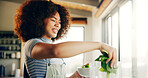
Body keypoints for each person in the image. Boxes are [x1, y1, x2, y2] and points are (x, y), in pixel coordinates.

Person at [14, 0, 117, 78]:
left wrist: (76, 75)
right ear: (39, 20)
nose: (57, 25)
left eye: (59, 22)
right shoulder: (31, 44)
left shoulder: (51, 47)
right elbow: (55, 51)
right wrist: (99, 45)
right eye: (53, 20)